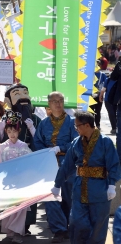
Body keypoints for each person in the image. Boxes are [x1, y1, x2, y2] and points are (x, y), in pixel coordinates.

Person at [52, 110, 121, 243]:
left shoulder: (105, 142)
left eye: (77, 126)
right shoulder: (76, 142)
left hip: (100, 189)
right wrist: (57, 184)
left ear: (87, 125)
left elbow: (114, 164)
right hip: (79, 188)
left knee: (98, 225)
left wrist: (112, 185)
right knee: (77, 223)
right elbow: (67, 165)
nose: (76, 129)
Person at [33, 92, 78, 243]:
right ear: (49, 105)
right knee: (51, 197)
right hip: (49, 165)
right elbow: (37, 142)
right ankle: (59, 229)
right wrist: (45, 152)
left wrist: (61, 147)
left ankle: (70, 226)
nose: (58, 104)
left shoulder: (72, 122)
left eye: (61, 101)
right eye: (54, 101)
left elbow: (77, 142)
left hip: (68, 165)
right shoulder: (43, 123)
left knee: (68, 197)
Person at [0, 110, 32, 243]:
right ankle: (10, 231)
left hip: (21, 180)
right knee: (10, 206)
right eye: (9, 131)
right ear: (6, 132)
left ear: (19, 132)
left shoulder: (24, 146)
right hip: (7, 181)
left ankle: (18, 232)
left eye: (15, 131)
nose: (12, 134)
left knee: (21, 207)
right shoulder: (2, 146)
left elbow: (28, 163)